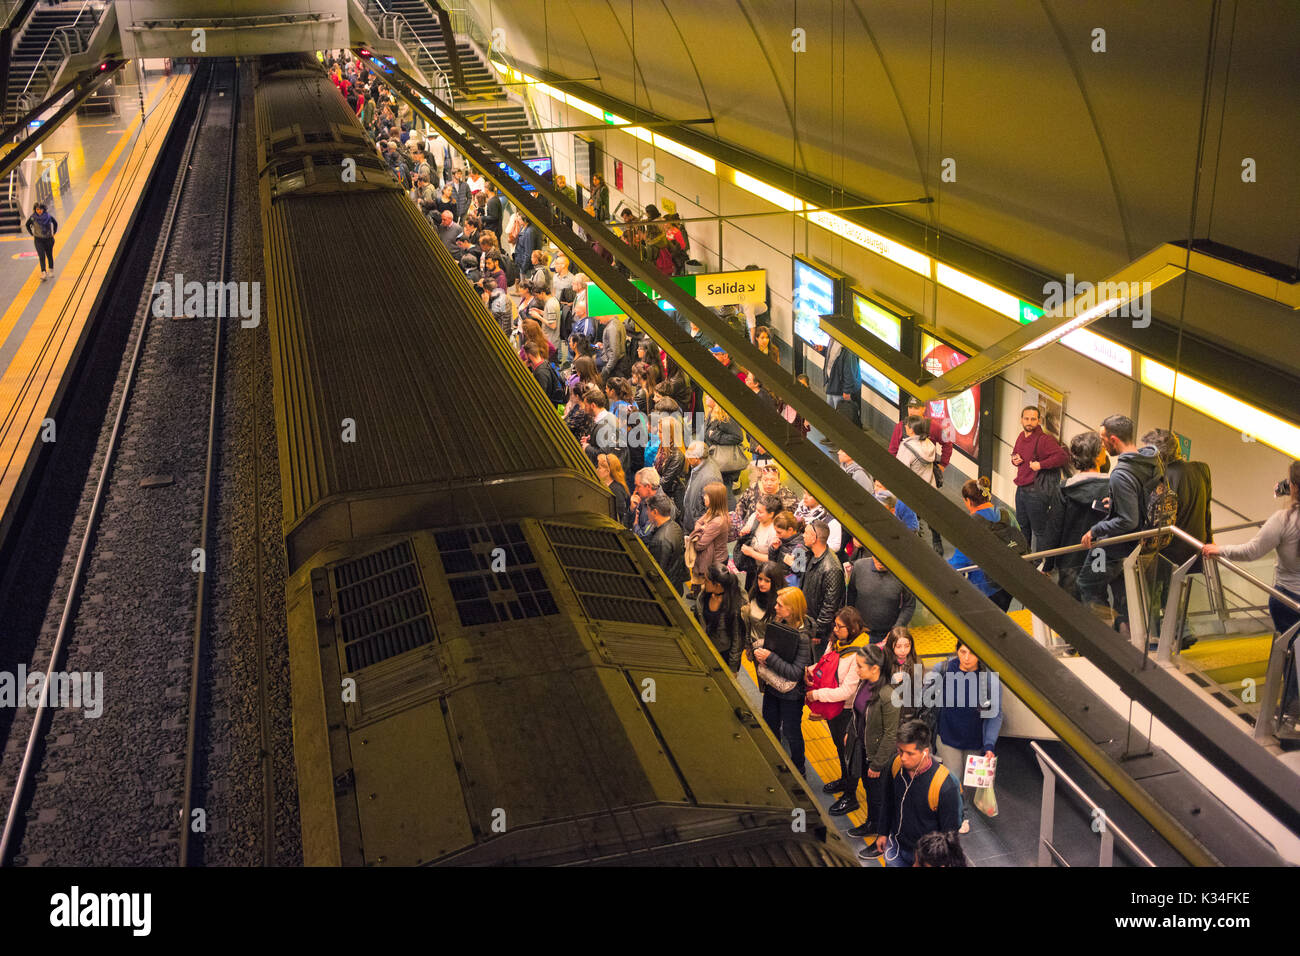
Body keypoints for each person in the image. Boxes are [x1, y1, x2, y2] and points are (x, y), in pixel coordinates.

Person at [1079, 415, 1162, 630]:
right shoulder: (1152, 461)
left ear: (1114, 439)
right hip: (1144, 543)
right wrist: (1116, 501)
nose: (1102, 444)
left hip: (1117, 547)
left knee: (1087, 583)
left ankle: (1102, 634)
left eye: (1103, 438)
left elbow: (1128, 520)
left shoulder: (1121, 474)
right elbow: (1144, 498)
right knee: (1124, 591)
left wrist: (1095, 529)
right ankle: (1125, 630)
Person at [1203, 460, 1300, 638]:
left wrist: (1221, 550)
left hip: (1287, 601)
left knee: (1290, 654)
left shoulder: (1284, 520)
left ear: (1293, 487)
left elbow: (1252, 551)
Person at [868, 719, 963, 865]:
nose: (903, 758)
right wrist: (883, 832)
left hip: (924, 858)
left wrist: (923, 861)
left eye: (910, 753)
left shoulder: (944, 785)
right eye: (900, 751)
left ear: (925, 752)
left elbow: (949, 834)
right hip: (896, 847)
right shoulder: (895, 765)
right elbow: (887, 801)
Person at [935, 638, 1003, 835]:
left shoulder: (989, 679)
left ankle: (957, 809)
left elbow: (996, 714)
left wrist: (989, 745)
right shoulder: (945, 669)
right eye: (962, 652)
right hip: (947, 734)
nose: (966, 658)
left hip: (975, 739)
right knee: (953, 778)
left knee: (967, 782)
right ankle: (960, 815)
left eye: (972, 653)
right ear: (956, 651)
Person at [749, 586, 813, 775]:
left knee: (792, 733)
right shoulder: (779, 623)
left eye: (780, 604)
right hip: (773, 688)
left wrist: (768, 658)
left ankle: (799, 769)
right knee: (770, 726)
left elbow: (795, 673)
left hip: (791, 695)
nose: (775, 607)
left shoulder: (803, 637)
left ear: (791, 609)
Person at [836, 644, 900, 824]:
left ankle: (878, 829)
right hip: (862, 747)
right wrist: (850, 730)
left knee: (877, 794)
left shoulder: (889, 695)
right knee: (868, 787)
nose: (856, 670)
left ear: (875, 669)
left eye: (859, 666)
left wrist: (877, 764)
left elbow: (890, 734)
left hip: (877, 754)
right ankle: (871, 823)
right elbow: (856, 711)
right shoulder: (865, 683)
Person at [1043, 432, 1111, 599]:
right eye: (1102, 450)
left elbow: (1054, 528)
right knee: (1096, 597)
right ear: (1096, 457)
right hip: (1099, 556)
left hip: (1069, 557)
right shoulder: (1112, 488)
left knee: (1068, 604)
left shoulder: (1065, 489)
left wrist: (1048, 564)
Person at [808, 607, 866, 801]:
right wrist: (809, 670)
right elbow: (824, 665)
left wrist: (816, 694)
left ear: (853, 629)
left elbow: (847, 691)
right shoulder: (836, 643)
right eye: (835, 625)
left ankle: (851, 796)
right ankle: (843, 780)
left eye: (840, 626)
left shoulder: (858, 654)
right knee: (839, 748)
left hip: (848, 711)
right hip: (832, 707)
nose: (835, 629)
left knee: (850, 753)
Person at [947, 479, 1020, 611]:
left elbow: (960, 563)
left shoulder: (971, 525)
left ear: (968, 501)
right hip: (1010, 580)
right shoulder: (1006, 513)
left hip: (985, 585)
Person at [1012, 405, 1070, 551]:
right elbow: (1015, 453)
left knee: (1039, 531)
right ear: (1021, 420)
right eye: (1026, 419)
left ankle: (1041, 566)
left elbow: (1063, 457)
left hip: (1035, 492)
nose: (1029, 422)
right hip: (1021, 489)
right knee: (1022, 527)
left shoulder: (1045, 440)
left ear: (1039, 421)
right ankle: (1025, 560)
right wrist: (1014, 459)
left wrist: (1041, 465)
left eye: (1033, 419)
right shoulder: (1021, 436)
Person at [847, 551, 917, 642]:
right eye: (877, 557)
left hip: (888, 634)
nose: (880, 562)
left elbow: (909, 604)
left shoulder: (903, 573)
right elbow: (851, 594)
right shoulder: (859, 567)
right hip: (860, 632)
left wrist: (896, 629)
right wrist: (853, 623)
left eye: (884, 558)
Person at [799, 520, 845, 659]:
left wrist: (816, 632)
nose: (803, 536)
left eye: (806, 533)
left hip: (819, 634)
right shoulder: (811, 555)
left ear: (814, 538)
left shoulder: (831, 568)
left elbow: (829, 606)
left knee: (817, 666)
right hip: (808, 623)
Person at [695, 564, 746, 672]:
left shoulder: (734, 606)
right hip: (705, 648)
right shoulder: (704, 597)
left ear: (717, 585)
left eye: (707, 580)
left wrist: (733, 668)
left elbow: (737, 639)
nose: (704, 582)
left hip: (723, 654)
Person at [645, 493, 689, 595]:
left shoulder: (660, 541)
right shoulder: (675, 526)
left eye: (648, 510)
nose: (647, 513)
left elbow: (657, 573)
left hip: (667, 590)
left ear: (655, 512)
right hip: (676, 583)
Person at [688, 482, 731, 586]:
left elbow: (699, 545)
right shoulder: (712, 511)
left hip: (716, 562)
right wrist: (702, 529)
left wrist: (701, 530)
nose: (704, 497)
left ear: (714, 499)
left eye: (707, 495)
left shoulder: (718, 522)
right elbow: (698, 522)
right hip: (713, 559)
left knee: (710, 588)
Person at [704, 397, 747, 490]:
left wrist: (716, 436)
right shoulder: (710, 414)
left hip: (724, 465)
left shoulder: (724, 418)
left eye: (709, 396)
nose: (706, 397)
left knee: (726, 492)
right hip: (714, 460)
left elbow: (738, 437)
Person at [681, 440, 722, 535]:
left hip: (698, 530)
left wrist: (701, 528)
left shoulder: (710, 478)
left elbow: (713, 511)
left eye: (689, 455)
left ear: (697, 458)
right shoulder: (697, 467)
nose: (687, 458)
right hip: (692, 522)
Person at [743, 560, 783, 650]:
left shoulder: (781, 601)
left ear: (775, 582)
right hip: (754, 646)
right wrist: (748, 645)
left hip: (772, 650)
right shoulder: (753, 594)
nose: (761, 584)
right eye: (760, 579)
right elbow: (748, 624)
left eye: (767, 581)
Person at [654, 413, 687, 515]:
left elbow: (665, 483)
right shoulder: (663, 446)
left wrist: (651, 479)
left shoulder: (677, 455)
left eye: (660, 432)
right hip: (662, 494)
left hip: (673, 499)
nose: (657, 434)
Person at [626, 466, 667, 539]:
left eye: (638, 486)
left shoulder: (659, 507)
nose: (635, 490)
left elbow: (644, 537)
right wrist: (632, 509)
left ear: (648, 487)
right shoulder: (644, 497)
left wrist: (635, 524)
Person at [896, 415, 939, 486]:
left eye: (907, 425)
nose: (905, 426)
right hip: (930, 487)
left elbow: (900, 471)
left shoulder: (907, 447)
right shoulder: (930, 444)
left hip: (912, 489)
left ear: (911, 430)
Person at [25, 202, 58, 280]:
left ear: (44, 209)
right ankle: (43, 272)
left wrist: (54, 232)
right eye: (37, 209)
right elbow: (27, 225)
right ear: (35, 210)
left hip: (48, 239)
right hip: (38, 240)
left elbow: (55, 223)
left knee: (49, 255)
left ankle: (51, 270)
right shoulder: (33, 218)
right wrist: (31, 233)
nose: (39, 211)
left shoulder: (48, 217)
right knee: (41, 255)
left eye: (41, 209)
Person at [595, 452, 631, 523]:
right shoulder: (607, 486)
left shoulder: (616, 491)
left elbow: (618, 516)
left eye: (599, 468)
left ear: (607, 471)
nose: (597, 470)